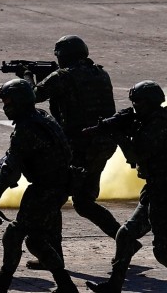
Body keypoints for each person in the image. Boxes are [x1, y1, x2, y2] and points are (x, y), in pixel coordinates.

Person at [87, 81, 167, 293]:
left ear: (150, 103)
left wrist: (118, 136)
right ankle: (114, 286)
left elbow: (136, 155)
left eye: (139, 103)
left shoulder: (159, 127)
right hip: (157, 191)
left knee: (162, 251)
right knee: (125, 235)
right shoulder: (153, 121)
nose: (135, 107)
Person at [0, 79, 77, 293]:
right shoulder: (42, 118)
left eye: (8, 102)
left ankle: (1, 286)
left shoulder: (26, 128)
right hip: (58, 185)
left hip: (45, 189)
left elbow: (10, 169)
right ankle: (66, 286)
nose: (5, 107)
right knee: (36, 241)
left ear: (19, 102)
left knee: (14, 234)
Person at [20, 36, 121, 244]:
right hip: (102, 144)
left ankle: (52, 255)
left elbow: (33, 96)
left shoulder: (63, 76)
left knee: (54, 199)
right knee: (84, 202)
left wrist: (27, 76)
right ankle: (125, 240)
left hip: (78, 147)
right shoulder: (101, 73)